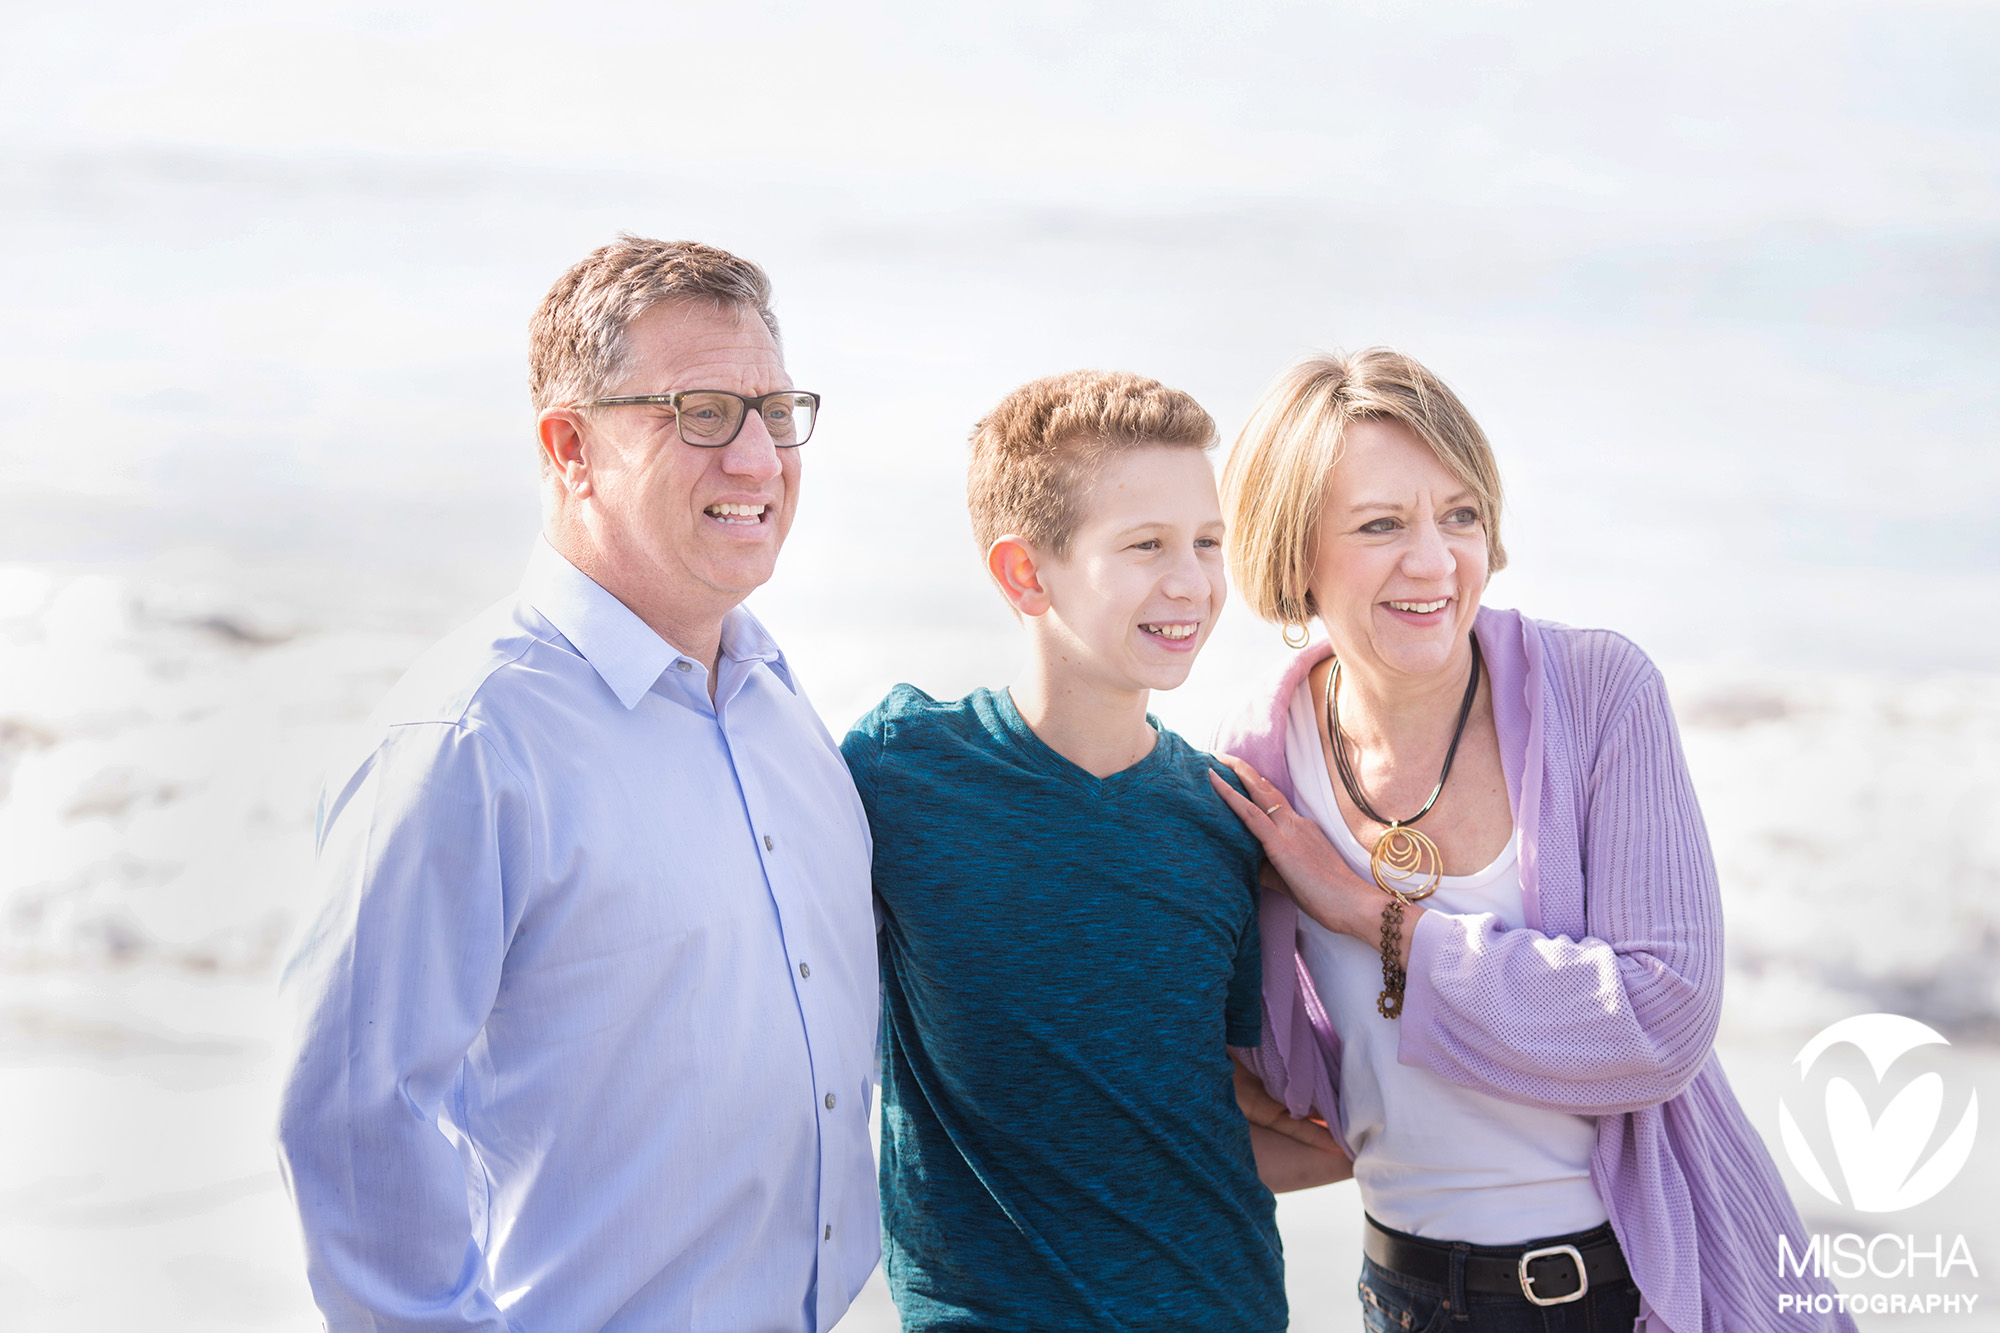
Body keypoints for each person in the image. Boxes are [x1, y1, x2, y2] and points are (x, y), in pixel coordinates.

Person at [276, 237, 879, 1332]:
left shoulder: (782, 709)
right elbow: (352, 1124)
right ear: (570, 448)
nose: (756, 458)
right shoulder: (468, 739)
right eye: (700, 412)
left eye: (774, 410)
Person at [1206, 348, 1853, 1333]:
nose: (1433, 560)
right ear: (1292, 551)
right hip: (1406, 1301)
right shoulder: (1254, 767)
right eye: (1381, 524)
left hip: (1635, 1290)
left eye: (1458, 515)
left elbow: (1661, 1018)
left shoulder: (1596, 694)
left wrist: (1378, 923)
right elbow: (1264, 1081)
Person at [841, 371, 1325, 1332]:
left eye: (1207, 542)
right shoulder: (900, 772)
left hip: (1220, 1307)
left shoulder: (1223, 819)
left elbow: (1203, 1102)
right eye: (1145, 545)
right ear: (1026, 574)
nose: (1190, 580)